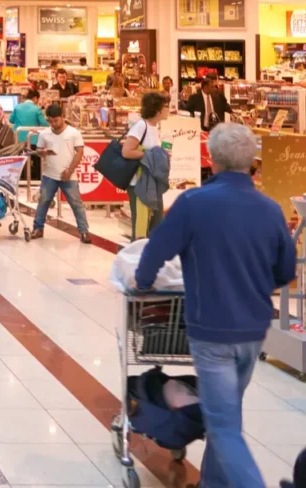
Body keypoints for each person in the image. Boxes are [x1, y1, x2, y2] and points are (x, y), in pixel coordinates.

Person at [137, 123, 296, 488]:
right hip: (253, 331)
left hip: (213, 332)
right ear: (252, 162)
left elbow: (156, 250)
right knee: (227, 414)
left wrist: (143, 283)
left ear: (211, 159)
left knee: (223, 426)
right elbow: (285, 271)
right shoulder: (271, 209)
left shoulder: (194, 203)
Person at [30, 103, 92, 243]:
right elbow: (38, 150)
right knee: (43, 201)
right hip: (49, 174)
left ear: (63, 117)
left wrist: (70, 170)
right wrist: (42, 152)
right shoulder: (45, 134)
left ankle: (84, 231)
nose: (53, 124)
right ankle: (38, 228)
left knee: (76, 204)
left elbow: (79, 152)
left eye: (56, 120)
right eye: (50, 121)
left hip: (68, 175)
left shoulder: (74, 133)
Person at [121, 91, 169, 240]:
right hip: (139, 183)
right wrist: (152, 155)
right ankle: (137, 252)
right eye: (166, 106)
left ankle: (150, 251)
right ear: (157, 110)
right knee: (141, 224)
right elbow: (126, 151)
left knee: (156, 222)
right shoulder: (141, 126)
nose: (168, 109)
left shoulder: (154, 127)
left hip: (152, 182)